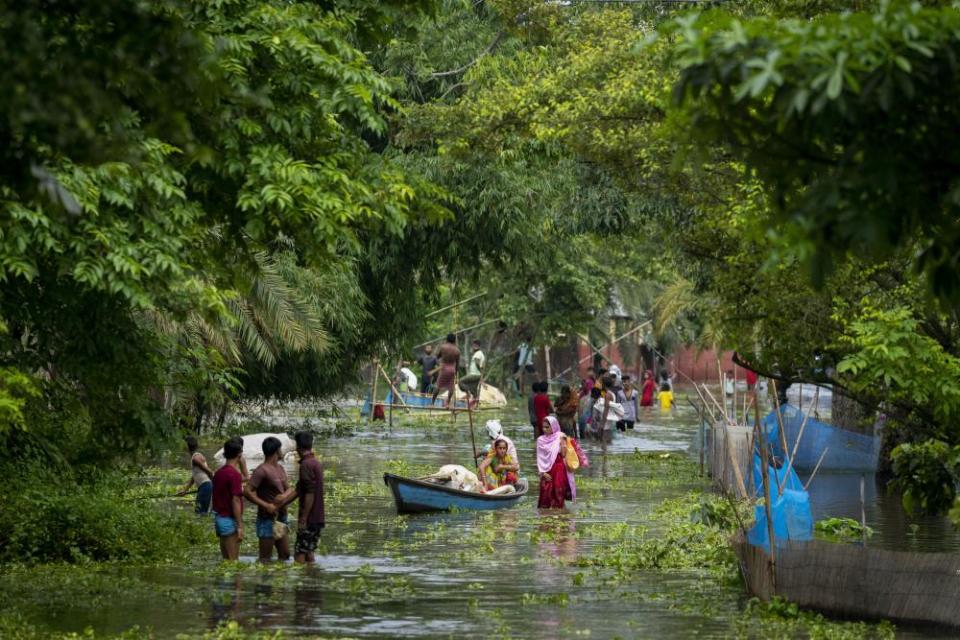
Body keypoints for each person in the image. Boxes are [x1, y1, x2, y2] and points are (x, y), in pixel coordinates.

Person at [278, 431, 325, 564]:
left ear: (297, 447)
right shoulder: (315, 463)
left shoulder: (306, 465)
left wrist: (304, 517)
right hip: (318, 517)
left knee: (299, 552)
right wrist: (280, 504)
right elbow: (299, 489)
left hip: (309, 518)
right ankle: (311, 579)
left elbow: (309, 493)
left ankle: (301, 582)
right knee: (308, 551)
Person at [243, 437, 290, 562]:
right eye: (280, 448)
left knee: (285, 555)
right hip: (266, 519)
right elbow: (247, 491)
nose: (282, 451)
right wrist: (266, 505)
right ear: (276, 450)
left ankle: (279, 579)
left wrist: (284, 497)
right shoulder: (261, 470)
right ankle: (263, 581)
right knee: (265, 559)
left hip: (281, 518)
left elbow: (289, 489)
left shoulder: (280, 468)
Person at [212, 438, 245, 560]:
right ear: (240, 454)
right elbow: (235, 501)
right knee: (233, 563)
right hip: (229, 520)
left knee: (226, 562)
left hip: (220, 519)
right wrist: (240, 525)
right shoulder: (234, 475)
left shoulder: (218, 473)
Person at [536, 416, 571, 509]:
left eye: (547, 427)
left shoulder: (560, 436)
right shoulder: (540, 440)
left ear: (554, 426)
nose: (544, 429)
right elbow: (540, 459)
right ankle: (546, 519)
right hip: (546, 470)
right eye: (543, 427)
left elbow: (563, 455)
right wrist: (542, 473)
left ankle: (559, 517)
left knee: (558, 492)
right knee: (545, 495)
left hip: (558, 469)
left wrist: (563, 444)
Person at [177, 435, 214, 515]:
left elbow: (209, 472)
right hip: (204, 486)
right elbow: (194, 476)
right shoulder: (196, 456)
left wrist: (215, 483)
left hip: (206, 486)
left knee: (200, 513)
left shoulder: (195, 458)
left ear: (187, 445)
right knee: (200, 512)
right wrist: (185, 490)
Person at [431, 334, 460, 408]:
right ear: (454, 341)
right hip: (452, 369)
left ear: (447, 339)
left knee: (438, 386)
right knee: (451, 387)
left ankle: (432, 403)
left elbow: (437, 356)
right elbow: (457, 364)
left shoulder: (443, 347)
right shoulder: (457, 350)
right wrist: (456, 373)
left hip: (444, 368)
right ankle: (448, 402)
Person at [458, 339, 485, 407]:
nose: (472, 347)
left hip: (475, 374)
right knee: (474, 390)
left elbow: (477, 363)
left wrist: (481, 373)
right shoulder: (479, 353)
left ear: (476, 346)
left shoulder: (478, 354)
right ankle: (474, 405)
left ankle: (468, 393)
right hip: (477, 375)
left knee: (460, 382)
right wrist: (481, 375)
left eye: (473, 346)